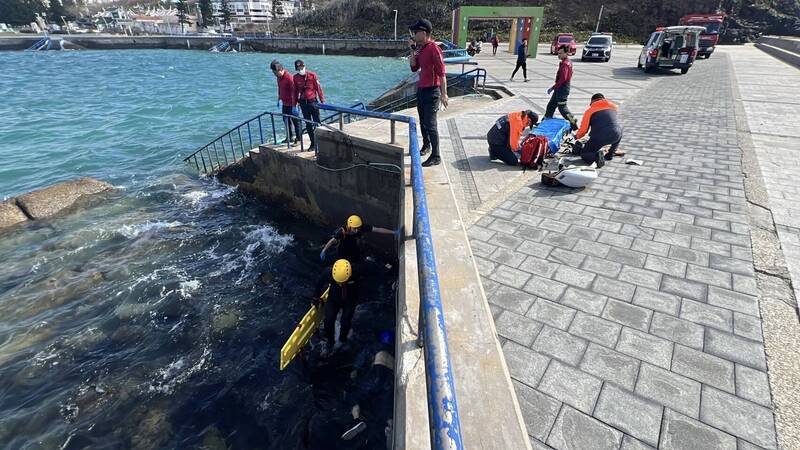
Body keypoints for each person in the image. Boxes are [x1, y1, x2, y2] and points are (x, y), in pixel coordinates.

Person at [409, 18, 448, 167]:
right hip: (421, 90)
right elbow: (413, 67)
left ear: (423, 33)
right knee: (422, 121)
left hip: (432, 92)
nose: (414, 34)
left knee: (431, 124)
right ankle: (426, 145)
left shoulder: (434, 48)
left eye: (416, 32)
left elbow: (442, 72)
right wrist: (412, 51)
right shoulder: (422, 49)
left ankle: (436, 155)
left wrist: (444, 94)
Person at [313, 259, 359, 352]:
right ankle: (330, 341)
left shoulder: (357, 270)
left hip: (350, 299)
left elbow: (371, 271)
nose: (341, 284)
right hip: (334, 298)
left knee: (346, 320)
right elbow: (319, 283)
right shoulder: (328, 272)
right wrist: (315, 298)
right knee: (328, 320)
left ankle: (342, 339)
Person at [320, 215, 397, 265]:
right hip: (343, 250)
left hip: (354, 248)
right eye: (354, 228)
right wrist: (324, 250)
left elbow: (377, 229)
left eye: (358, 228)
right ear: (349, 226)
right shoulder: (342, 231)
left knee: (357, 261)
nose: (357, 230)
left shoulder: (362, 227)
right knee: (343, 263)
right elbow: (332, 240)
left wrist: (393, 232)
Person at [574, 93, 624, 167]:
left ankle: (597, 157)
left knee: (585, 154)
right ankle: (610, 154)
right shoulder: (613, 107)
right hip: (617, 134)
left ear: (592, 101)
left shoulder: (590, 111)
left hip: (601, 136)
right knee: (616, 130)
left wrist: (577, 136)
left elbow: (583, 130)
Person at [293, 59, 325, 151]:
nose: (300, 69)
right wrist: (294, 104)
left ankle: (321, 142)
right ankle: (313, 143)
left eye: (301, 67)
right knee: (308, 124)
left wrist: (322, 100)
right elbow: (295, 92)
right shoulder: (295, 78)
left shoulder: (312, 75)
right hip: (303, 104)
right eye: (298, 68)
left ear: (304, 66)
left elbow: (318, 88)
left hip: (313, 102)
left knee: (317, 123)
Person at [544, 46, 578, 131]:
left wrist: (553, 87)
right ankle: (546, 121)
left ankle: (573, 121)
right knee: (551, 105)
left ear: (566, 53)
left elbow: (563, 78)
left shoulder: (566, 64)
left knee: (562, 108)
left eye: (560, 53)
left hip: (562, 88)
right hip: (559, 88)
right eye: (558, 53)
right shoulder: (565, 62)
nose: (558, 55)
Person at [270, 60, 302, 146]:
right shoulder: (279, 78)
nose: (274, 75)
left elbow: (294, 91)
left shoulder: (289, 77)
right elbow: (280, 88)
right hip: (285, 103)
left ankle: (299, 139)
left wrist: (295, 104)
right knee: (286, 120)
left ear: (280, 70)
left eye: (275, 73)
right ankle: (290, 137)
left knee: (296, 121)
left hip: (292, 104)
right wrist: (279, 98)